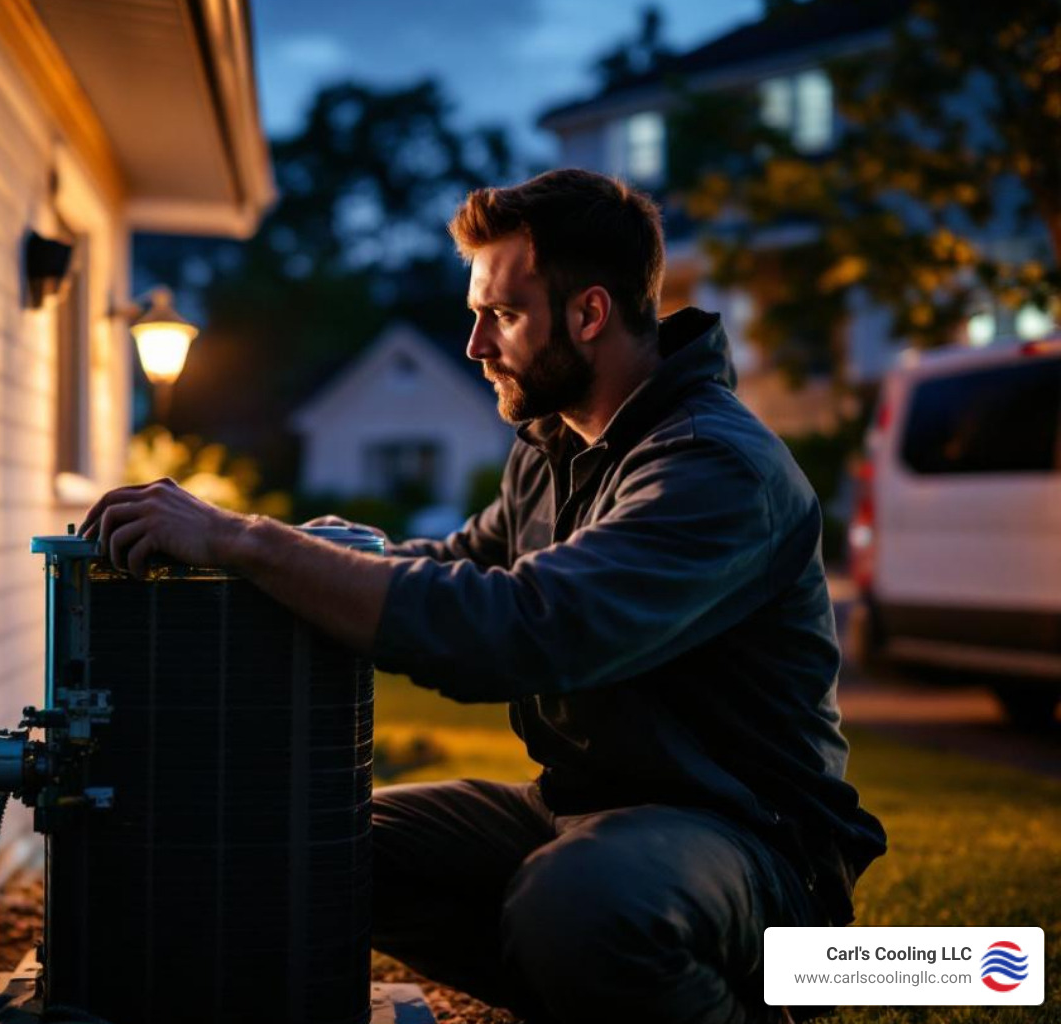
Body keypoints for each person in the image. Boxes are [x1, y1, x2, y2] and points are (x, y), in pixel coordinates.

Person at [79, 168, 886, 1024]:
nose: (475, 345)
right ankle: (602, 990)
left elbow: (520, 626)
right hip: (579, 811)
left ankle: (734, 996)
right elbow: (460, 562)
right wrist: (320, 551)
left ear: (590, 313)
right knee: (317, 840)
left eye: (500, 315)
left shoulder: (715, 467)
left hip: (753, 845)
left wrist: (245, 539)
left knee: (578, 908)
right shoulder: (551, 447)